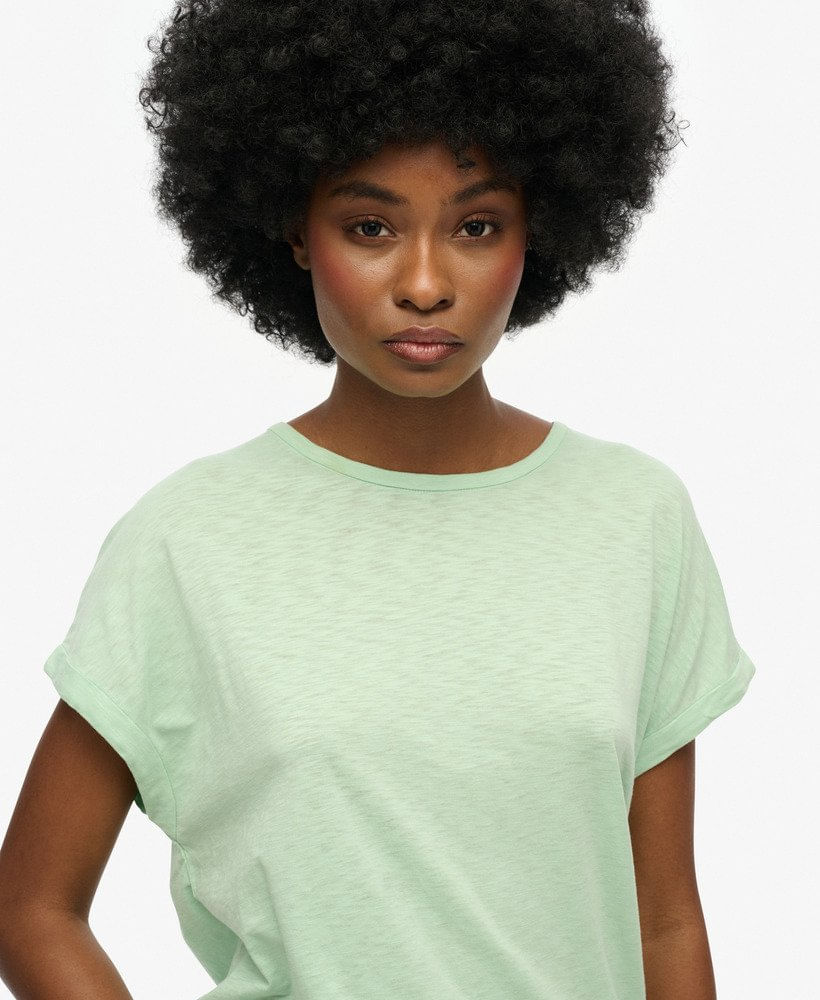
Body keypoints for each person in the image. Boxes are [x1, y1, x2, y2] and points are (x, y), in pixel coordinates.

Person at [0, 1, 756, 998]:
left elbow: (665, 923)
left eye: (477, 226)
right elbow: (33, 908)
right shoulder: (188, 539)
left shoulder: (634, 517)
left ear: (539, 229)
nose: (425, 283)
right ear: (295, 230)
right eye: (370, 227)